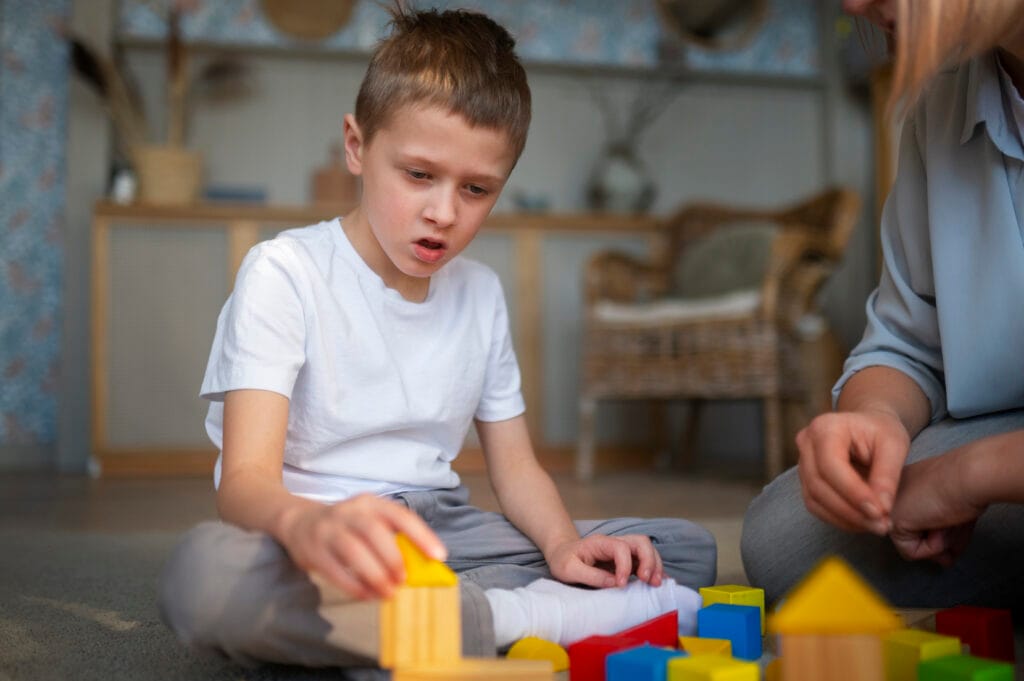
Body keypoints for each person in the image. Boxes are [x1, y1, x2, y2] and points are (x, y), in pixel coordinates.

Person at [158, 6, 716, 674]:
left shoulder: (479, 293)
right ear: (357, 146)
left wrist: (565, 545)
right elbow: (244, 482)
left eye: (477, 189)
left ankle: (412, 629)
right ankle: (520, 617)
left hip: (444, 535)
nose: (444, 212)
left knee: (680, 550)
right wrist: (307, 527)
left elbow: (515, 469)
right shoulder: (285, 273)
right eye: (419, 175)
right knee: (203, 578)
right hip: (321, 533)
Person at [742, 0, 1024, 612]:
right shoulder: (940, 102)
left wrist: (968, 476)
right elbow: (907, 343)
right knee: (786, 540)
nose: (851, 6)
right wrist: (876, 418)